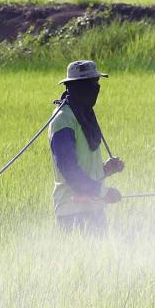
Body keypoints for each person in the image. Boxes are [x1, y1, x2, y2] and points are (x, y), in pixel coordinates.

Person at [48, 60, 125, 234]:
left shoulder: (85, 114)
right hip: (72, 210)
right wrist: (103, 192)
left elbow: (86, 167)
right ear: (77, 87)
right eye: (91, 84)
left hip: (94, 208)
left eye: (97, 83)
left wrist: (106, 170)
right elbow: (68, 169)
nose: (96, 88)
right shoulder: (63, 119)